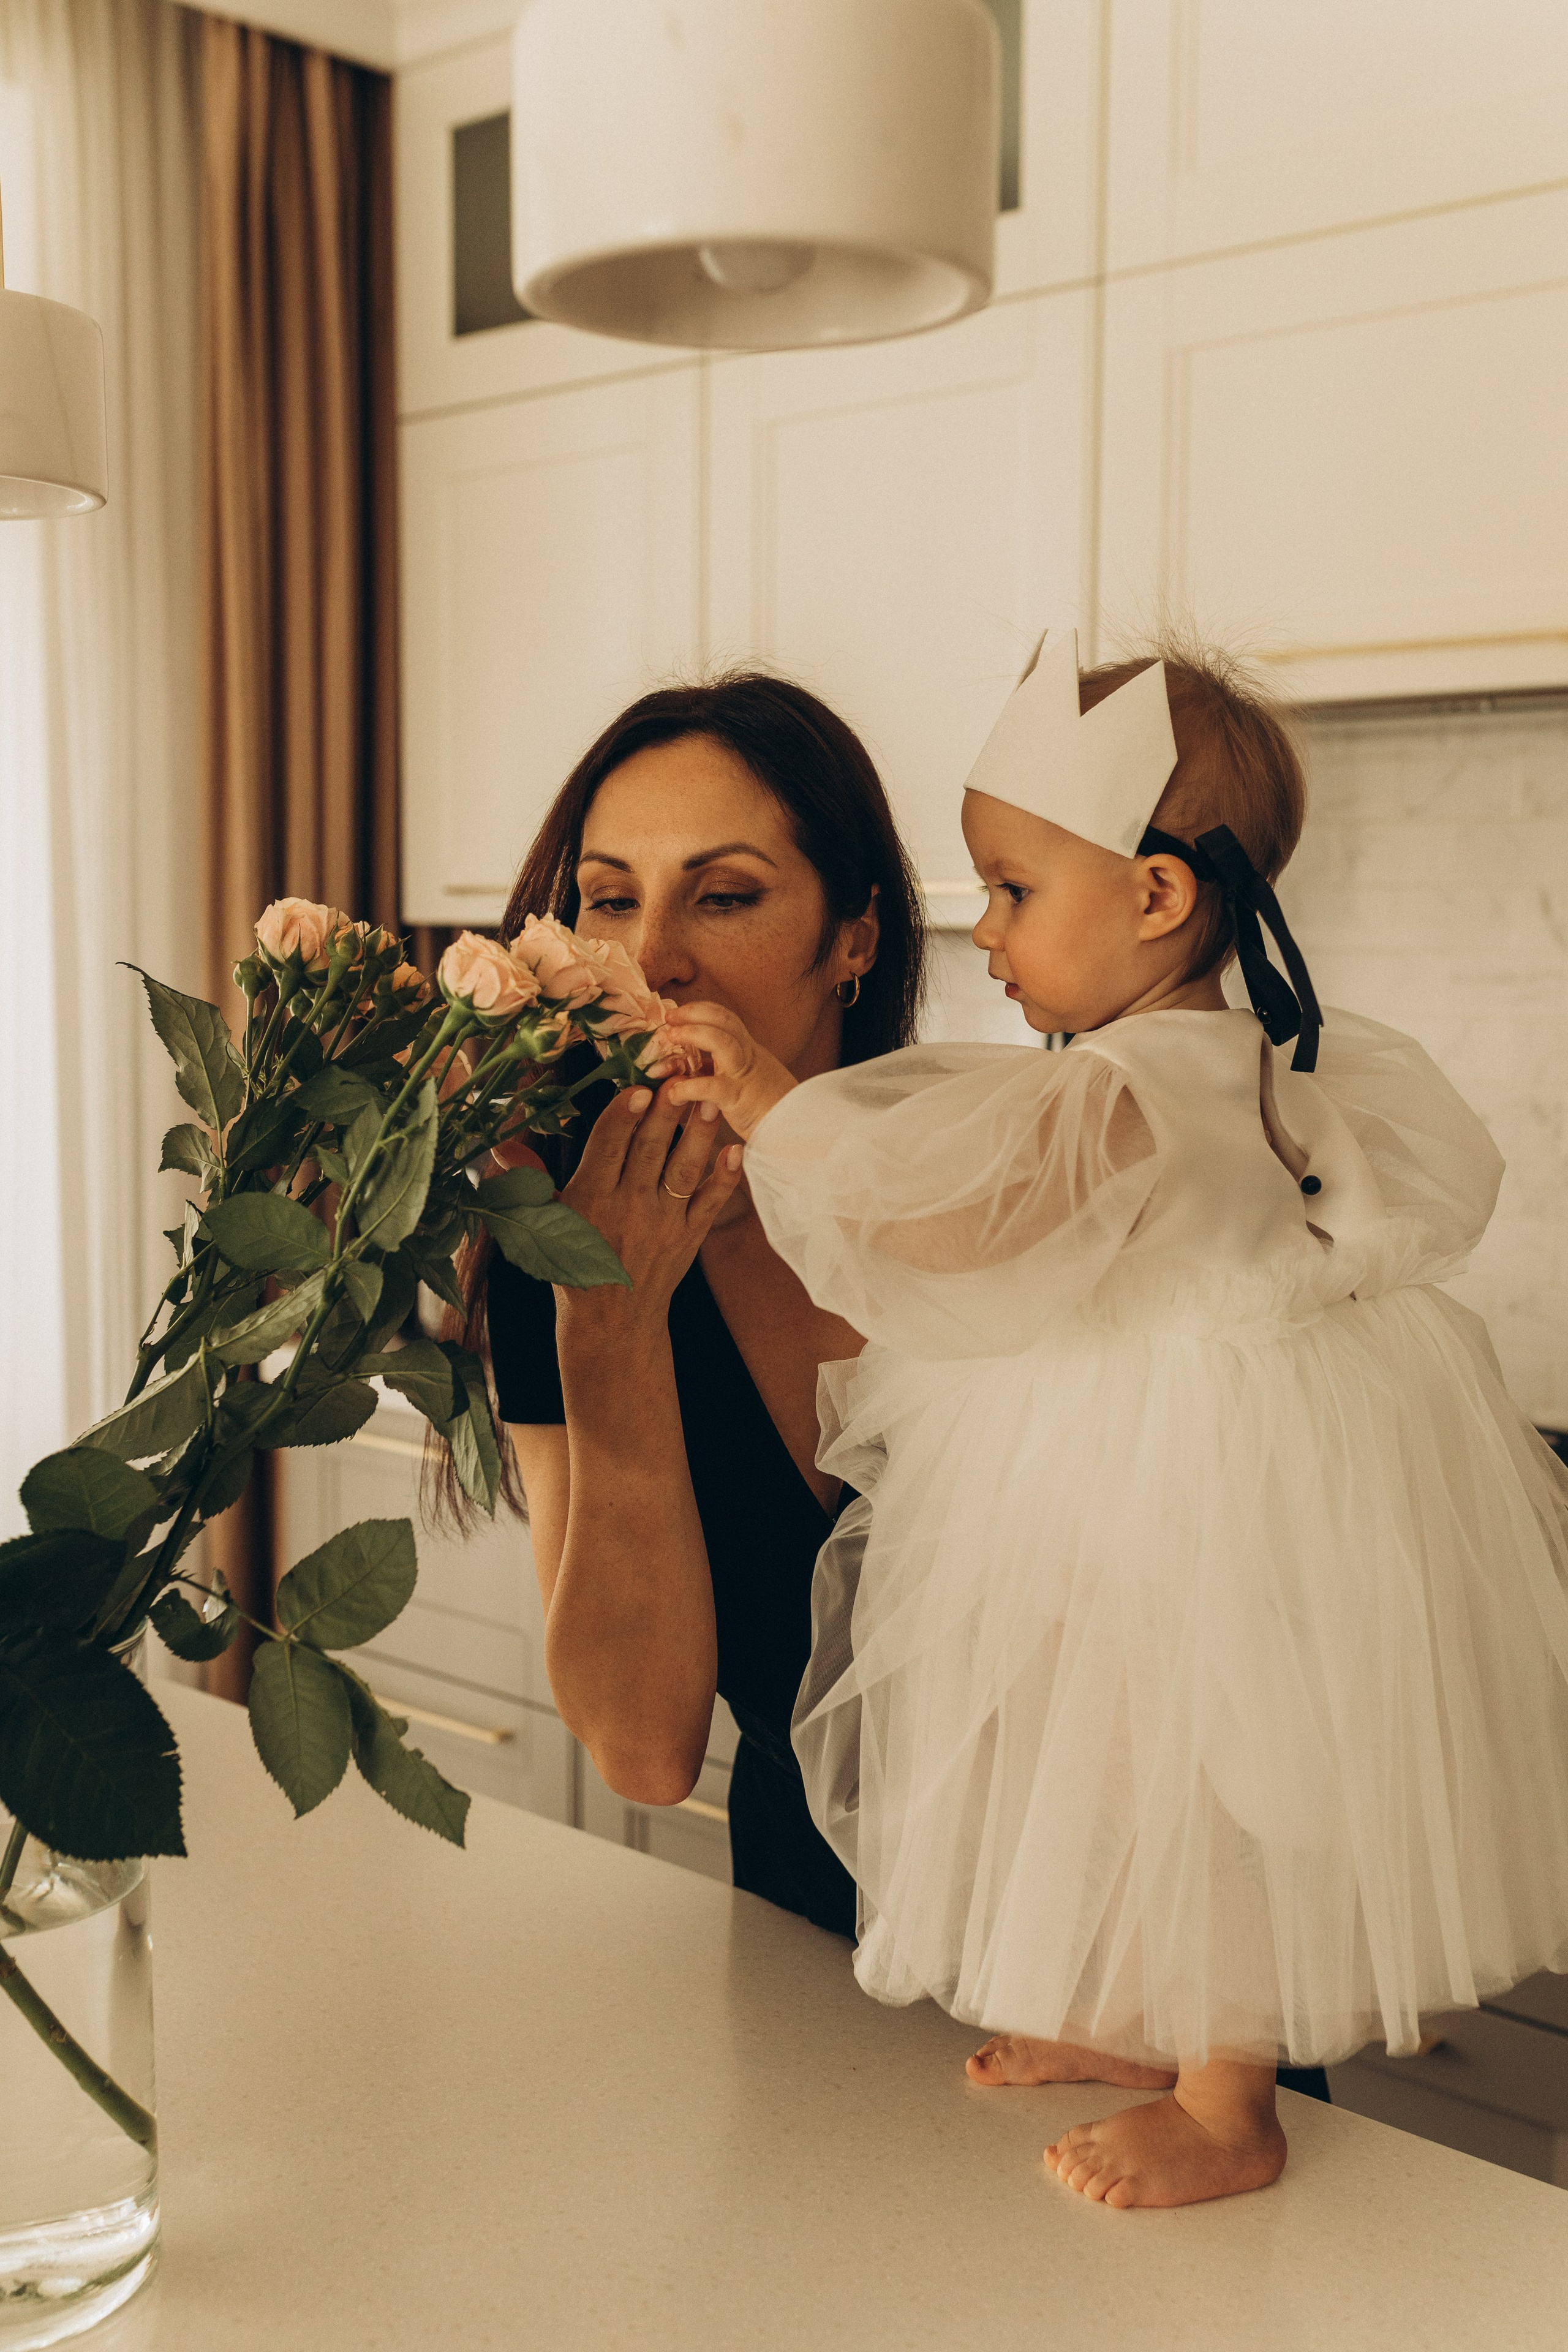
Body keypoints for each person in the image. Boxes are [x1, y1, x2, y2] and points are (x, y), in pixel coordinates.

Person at [658, 632, 1568, 2209]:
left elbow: (964, 1227)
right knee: (1129, 1748)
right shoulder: (1193, 1059)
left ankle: (1227, 2099)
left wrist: (767, 1108)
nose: (986, 930)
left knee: (1211, 1765)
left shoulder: (1148, 1084)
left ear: (1154, 899)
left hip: (1198, 1475)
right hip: (1139, 1453)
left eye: (1014, 890)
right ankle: (1145, 2029)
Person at [452, 673, 924, 1939]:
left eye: (723, 896)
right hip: (818, 1959)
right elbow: (643, 1750)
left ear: (854, 938)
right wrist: (607, 1319)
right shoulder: (554, 1240)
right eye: (609, 897)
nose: (651, 956)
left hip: (1146, 1976)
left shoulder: (973, 1184)